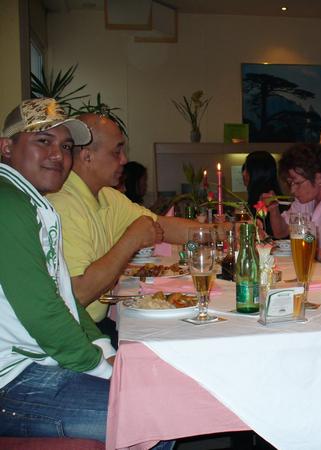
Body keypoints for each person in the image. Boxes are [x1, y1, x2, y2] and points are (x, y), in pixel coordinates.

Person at [0, 98, 114, 441]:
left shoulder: (30, 202)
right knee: (146, 414)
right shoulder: (7, 204)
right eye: (43, 140)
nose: (58, 155)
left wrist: (105, 349)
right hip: (11, 380)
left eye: (65, 146)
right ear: (7, 147)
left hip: (33, 364)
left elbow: (61, 295)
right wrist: (101, 367)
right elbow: (42, 310)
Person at [47, 114, 197, 342]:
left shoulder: (106, 195)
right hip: (76, 332)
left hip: (95, 322)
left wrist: (225, 231)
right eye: (116, 152)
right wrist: (131, 240)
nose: (124, 159)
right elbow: (78, 294)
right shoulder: (64, 204)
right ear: (87, 156)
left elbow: (163, 226)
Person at [242, 151, 284, 236]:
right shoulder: (277, 197)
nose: (243, 174)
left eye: (246, 169)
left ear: (256, 173)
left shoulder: (266, 199)